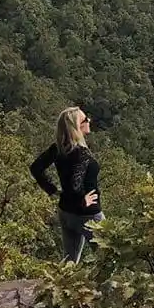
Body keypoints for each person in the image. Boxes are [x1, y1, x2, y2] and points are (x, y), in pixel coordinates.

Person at [30, 107, 102, 263]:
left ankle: (61, 287)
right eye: (85, 120)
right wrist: (82, 201)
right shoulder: (81, 153)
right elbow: (76, 184)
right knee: (111, 258)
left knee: (69, 262)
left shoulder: (58, 148)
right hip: (87, 215)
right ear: (77, 126)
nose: (89, 121)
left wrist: (53, 190)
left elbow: (35, 168)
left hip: (65, 212)